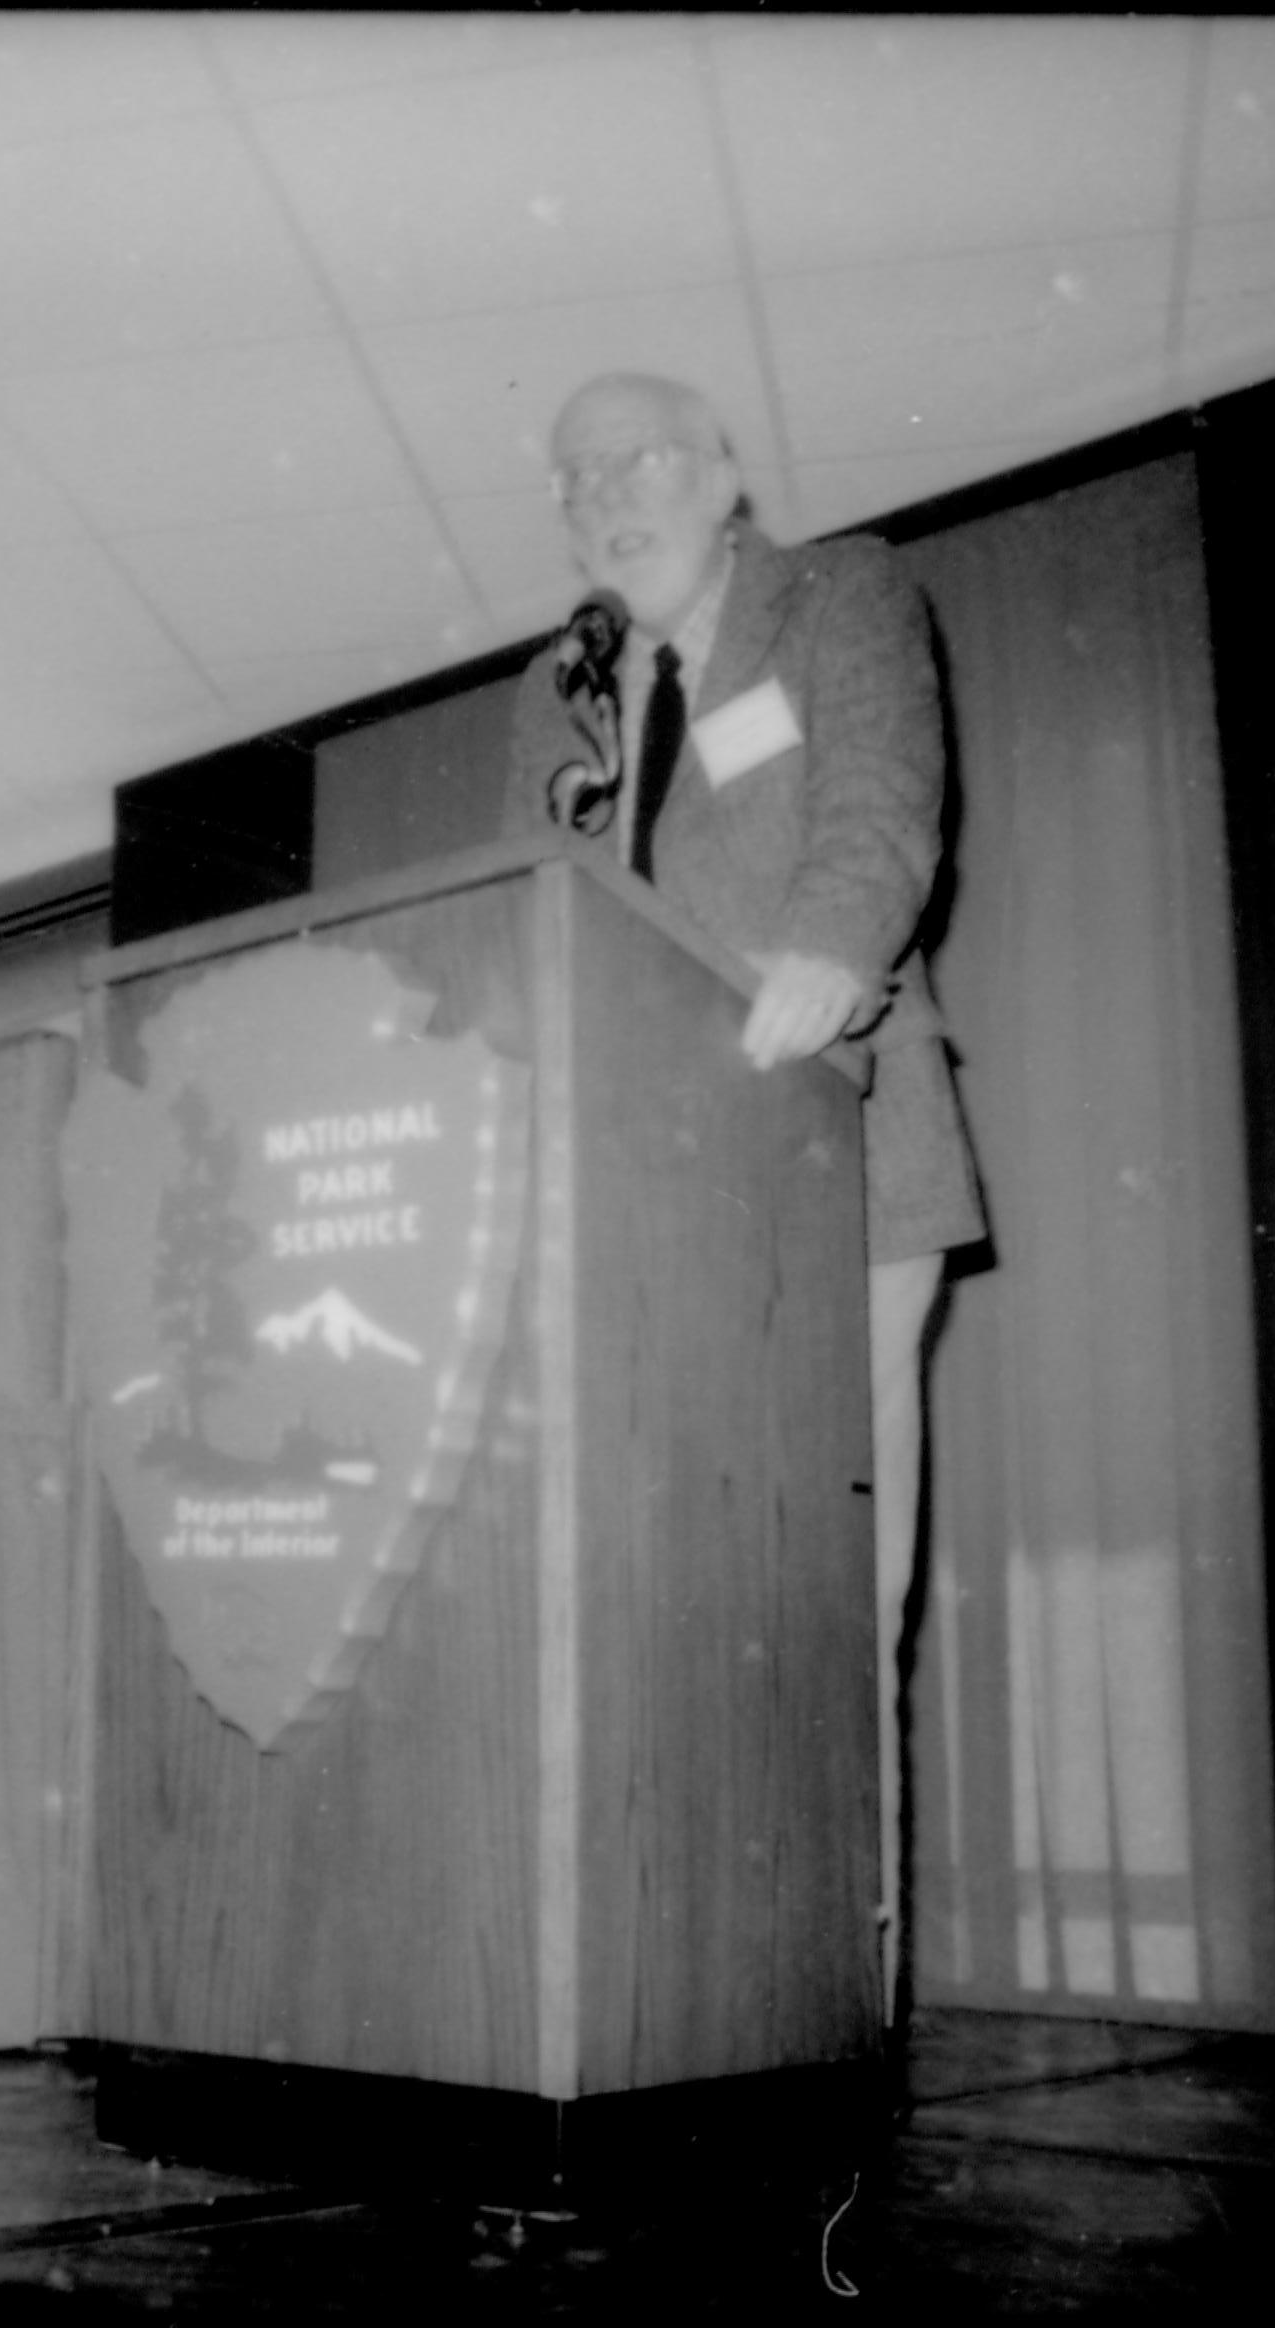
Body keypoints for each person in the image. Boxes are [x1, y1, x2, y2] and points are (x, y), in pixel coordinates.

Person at [504, 373, 988, 2024]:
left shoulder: (835, 593)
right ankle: (677, 1990)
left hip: (832, 1140)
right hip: (644, 1199)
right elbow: (533, 922)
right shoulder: (557, 689)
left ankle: (829, 2009)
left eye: (635, 459)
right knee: (660, 1601)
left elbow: (876, 815)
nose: (601, 498)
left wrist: (828, 953)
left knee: (826, 1593)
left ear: (722, 473)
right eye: (573, 482)